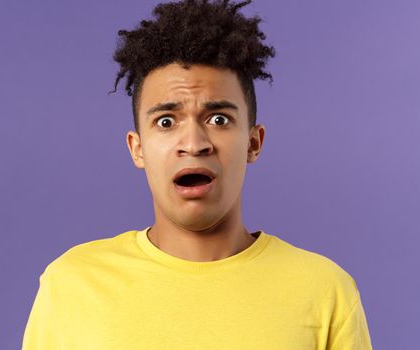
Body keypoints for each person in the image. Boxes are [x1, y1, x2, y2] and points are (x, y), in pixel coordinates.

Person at [22, 0, 373, 349]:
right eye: (166, 121)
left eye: (218, 119)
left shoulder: (326, 291)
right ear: (137, 148)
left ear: (253, 142)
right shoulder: (72, 286)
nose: (193, 143)